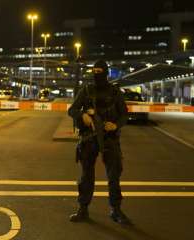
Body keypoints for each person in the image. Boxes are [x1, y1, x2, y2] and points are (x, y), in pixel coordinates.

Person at [68, 60, 131, 224]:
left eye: (100, 71)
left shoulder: (115, 92)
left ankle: (115, 210)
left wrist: (115, 124)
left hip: (109, 138)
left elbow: (124, 115)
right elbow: (72, 109)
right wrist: (82, 116)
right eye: (94, 71)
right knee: (86, 176)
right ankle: (83, 209)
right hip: (89, 138)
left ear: (106, 73)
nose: (97, 74)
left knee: (114, 176)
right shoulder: (87, 90)